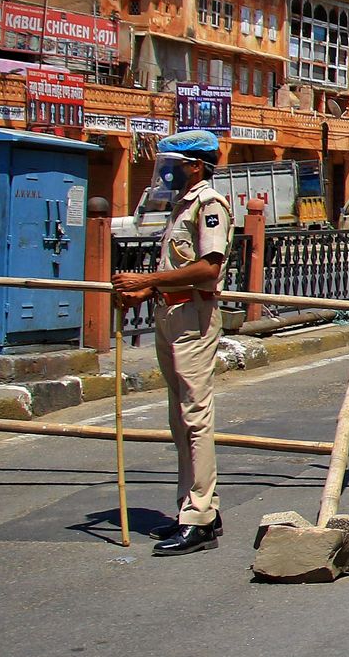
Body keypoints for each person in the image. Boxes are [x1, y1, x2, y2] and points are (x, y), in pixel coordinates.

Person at [111, 129, 234, 557]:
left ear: (195, 165)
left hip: (193, 317)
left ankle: (198, 516)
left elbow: (207, 269)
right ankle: (198, 506)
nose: (168, 171)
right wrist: (147, 291)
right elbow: (177, 267)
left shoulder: (209, 204)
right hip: (171, 311)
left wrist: (147, 279)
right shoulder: (179, 207)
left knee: (194, 415)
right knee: (179, 417)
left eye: (175, 163)